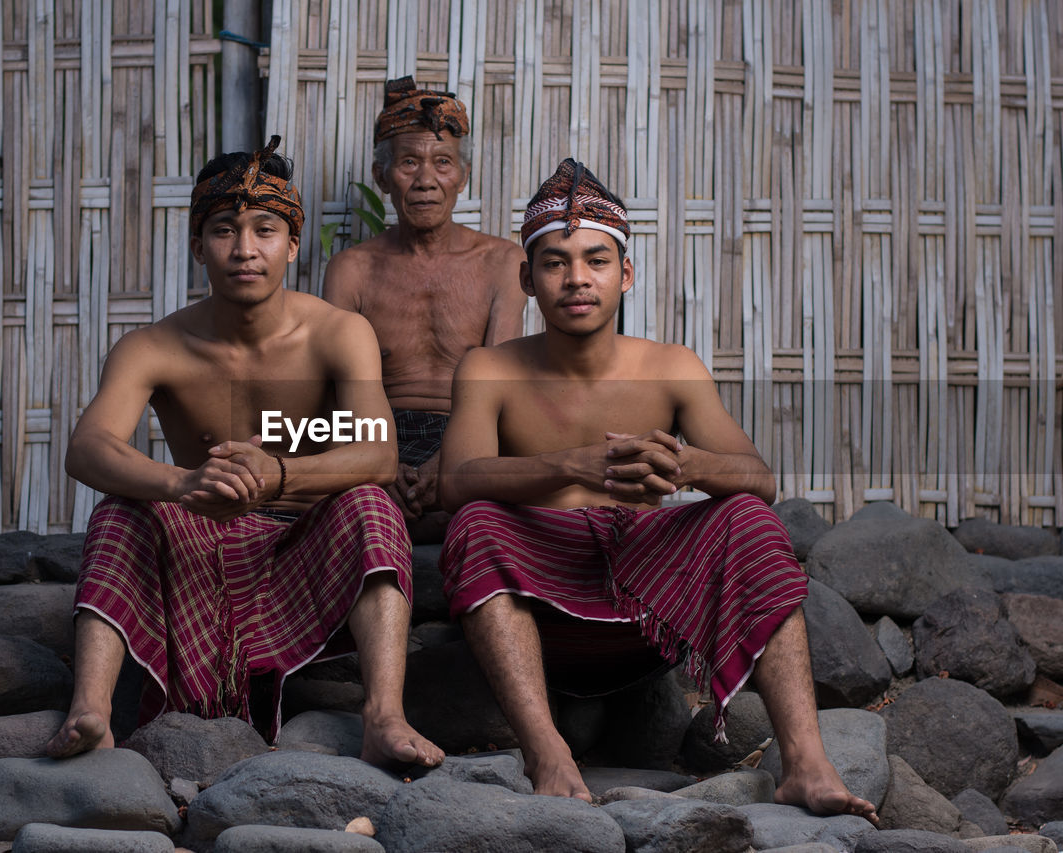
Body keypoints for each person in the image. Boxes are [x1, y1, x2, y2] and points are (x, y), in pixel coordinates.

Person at [437, 157, 878, 823]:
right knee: (475, 522)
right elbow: (456, 480)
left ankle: (807, 763)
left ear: (627, 274)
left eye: (596, 260)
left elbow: (757, 476)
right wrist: (574, 467)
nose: (576, 278)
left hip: (647, 605)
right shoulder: (489, 369)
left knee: (751, 519)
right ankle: (550, 755)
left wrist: (686, 462)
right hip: (544, 598)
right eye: (555, 262)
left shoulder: (672, 366)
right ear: (528, 278)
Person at [47, 136, 443, 771]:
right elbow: (87, 448)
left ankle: (384, 716)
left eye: (265, 229)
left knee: (373, 506)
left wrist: (280, 471)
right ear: (200, 244)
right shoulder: (153, 346)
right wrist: (180, 484)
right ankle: (90, 712)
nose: (244, 249)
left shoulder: (338, 332)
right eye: (225, 230)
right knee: (120, 512)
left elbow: (378, 453)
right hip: (199, 540)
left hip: (301, 542)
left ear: (291, 244)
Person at [324, 76, 526, 541]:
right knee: (355, 512)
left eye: (443, 163)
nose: (426, 181)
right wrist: (379, 462)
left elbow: (504, 383)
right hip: (379, 435)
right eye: (409, 162)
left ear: (463, 175)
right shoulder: (351, 270)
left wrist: (452, 461)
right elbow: (335, 392)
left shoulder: (502, 262)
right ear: (382, 175)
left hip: (475, 433)